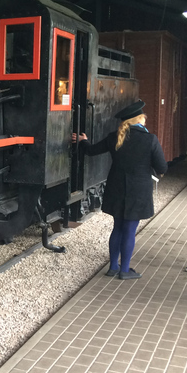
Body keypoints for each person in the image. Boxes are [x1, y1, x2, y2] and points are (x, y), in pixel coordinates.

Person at [72, 100, 167, 280]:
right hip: (138, 192)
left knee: (117, 227)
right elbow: (162, 167)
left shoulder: (114, 137)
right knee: (129, 230)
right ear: (139, 119)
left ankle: (113, 267)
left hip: (117, 188)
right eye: (143, 118)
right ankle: (125, 270)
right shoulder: (150, 139)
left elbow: (90, 151)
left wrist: (83, 141)